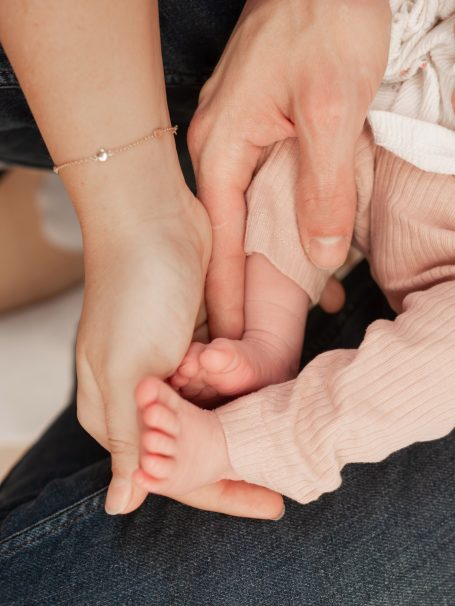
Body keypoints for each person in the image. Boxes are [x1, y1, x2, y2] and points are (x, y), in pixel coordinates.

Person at [0, 1, 454, 603]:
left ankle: (242, 431)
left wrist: (235, 444)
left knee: (424, 372)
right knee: (292, 148)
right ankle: (253, 336)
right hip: (398, 73)